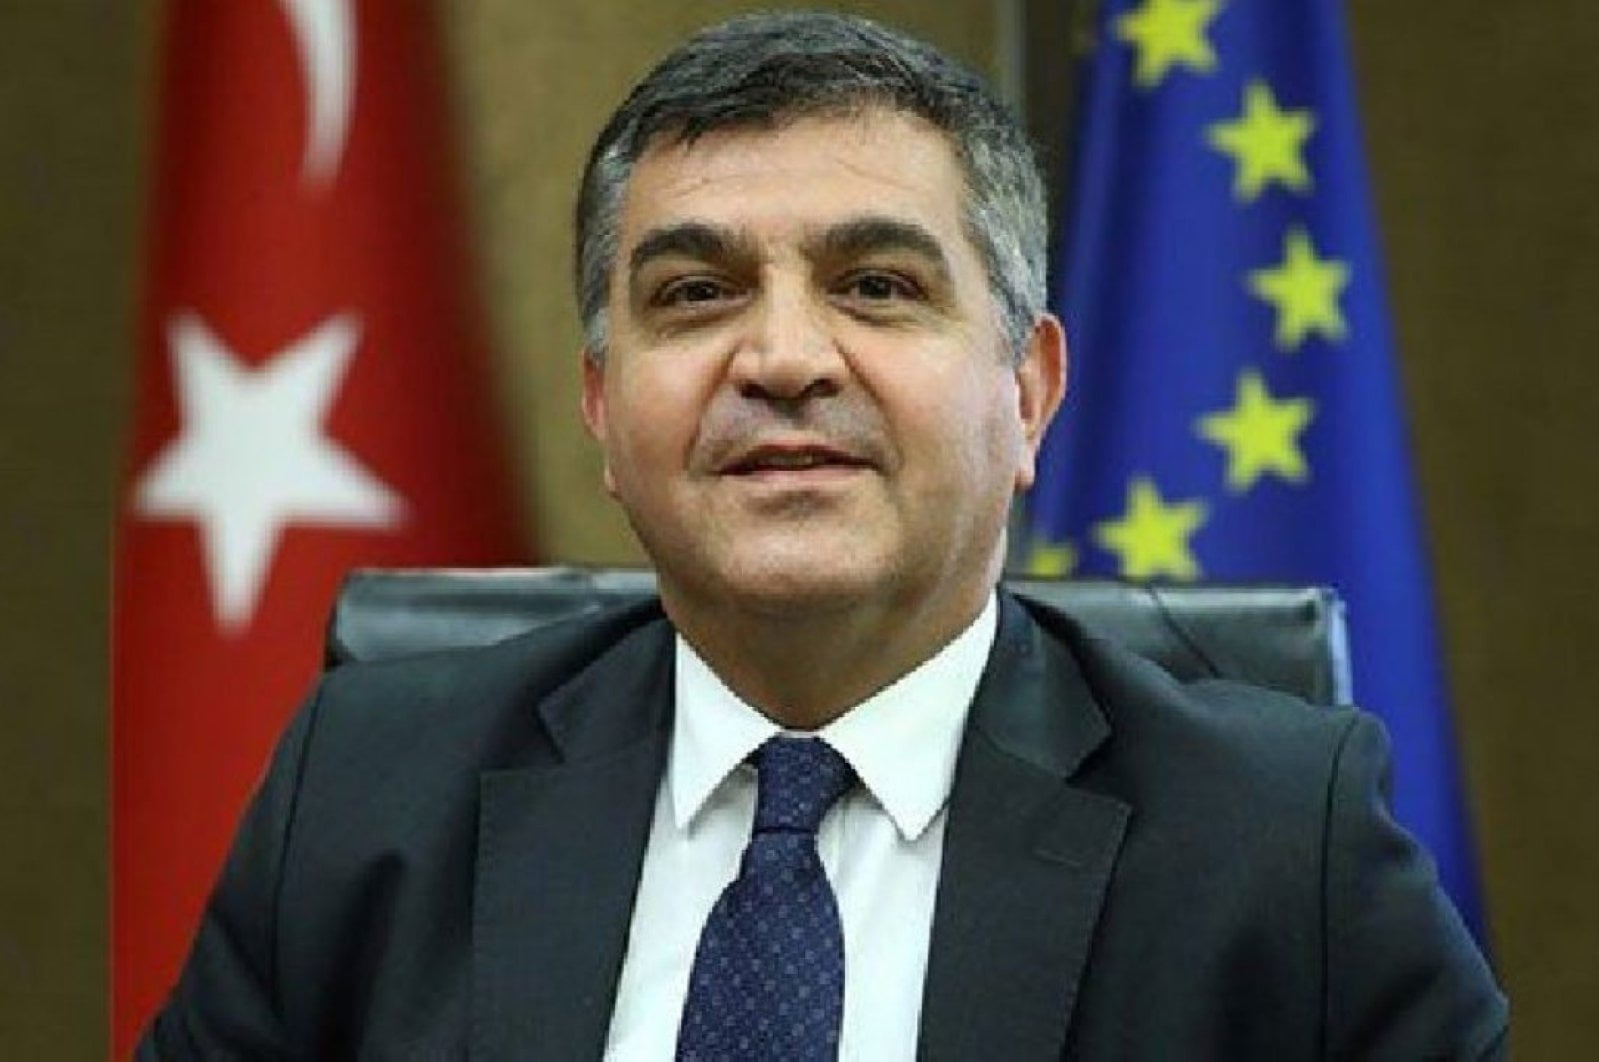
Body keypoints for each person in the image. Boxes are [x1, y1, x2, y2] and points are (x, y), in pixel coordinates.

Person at [139, 11, 1506, 1059]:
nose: (784, 358)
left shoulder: (1275, 850)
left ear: (1028, 394)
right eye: (695, 292)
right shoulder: (369, 798)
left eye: (876, 285)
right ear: (605, 409)